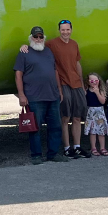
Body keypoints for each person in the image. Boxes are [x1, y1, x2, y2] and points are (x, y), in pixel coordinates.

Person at [20, 19, 88, 158]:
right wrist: (23, 46)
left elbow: (76, 63)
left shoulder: (72, 44)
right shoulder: (51, 44)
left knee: (76, 117)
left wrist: (81, 82)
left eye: (68, 29)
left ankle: (76, 147)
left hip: (72, 85)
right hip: (57, 86)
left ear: (71, 30)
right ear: (59, 30)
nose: (65, 32)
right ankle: (65, 148)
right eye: (63, 29)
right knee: (64, 117)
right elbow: (34, 48)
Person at [14, 26, 69, 164]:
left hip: (53, 96)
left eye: (40, 37)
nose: (38, 39)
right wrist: (21, 94)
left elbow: (55, 71)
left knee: (55, 126)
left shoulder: (49, 52)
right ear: (30, 37)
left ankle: (53, 153)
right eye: (35, 37)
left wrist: (59, 90)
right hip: (34, 97)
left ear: (43, 38)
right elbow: (18, 74)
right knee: (35, 127)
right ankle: (36, 155)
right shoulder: (24, 52)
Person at [84, 72, 108, 156]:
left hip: (100, 112)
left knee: (101, 131)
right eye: (91, 81)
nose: (94, 82)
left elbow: (102, 101)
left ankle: (102, 147)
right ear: (88, 81)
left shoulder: (101, 90)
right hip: (91, 113)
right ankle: (93, 147)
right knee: (92, 131)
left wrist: (97, 92)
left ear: (99, 81)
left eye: (96, 80)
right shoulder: (87, 90)